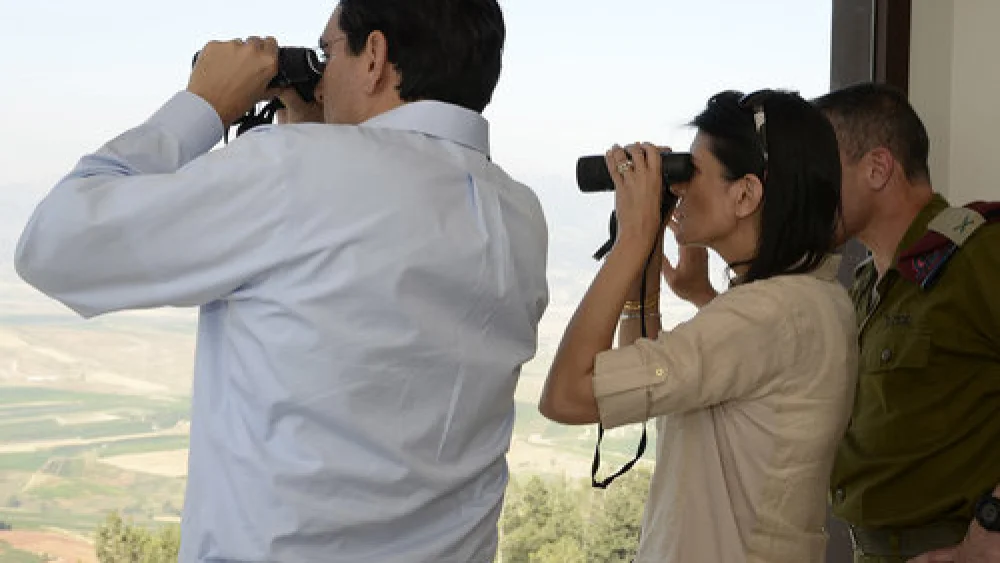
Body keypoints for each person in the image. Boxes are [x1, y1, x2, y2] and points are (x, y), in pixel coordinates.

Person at [14, 1, 549, 561]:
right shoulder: (519, 214)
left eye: (328, 52)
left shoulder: (293, 170)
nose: (320, 80)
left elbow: (55, 243)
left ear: (375, 57)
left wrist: (202, 107)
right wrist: (322, 137)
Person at [538, 89, 857, 562]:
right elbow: (644, 382)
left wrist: (632, 240)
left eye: (693, 172)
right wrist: (648, 274)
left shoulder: (767, 314)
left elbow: (565, 395)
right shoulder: (809, 299)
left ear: (746, 193)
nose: (680, 188)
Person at [812, 82, 1000, 563]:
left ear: (877, 168)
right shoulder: (864, 284)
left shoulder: (979, 254)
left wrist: (991, 538)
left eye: (819, 170)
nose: (806, 191)